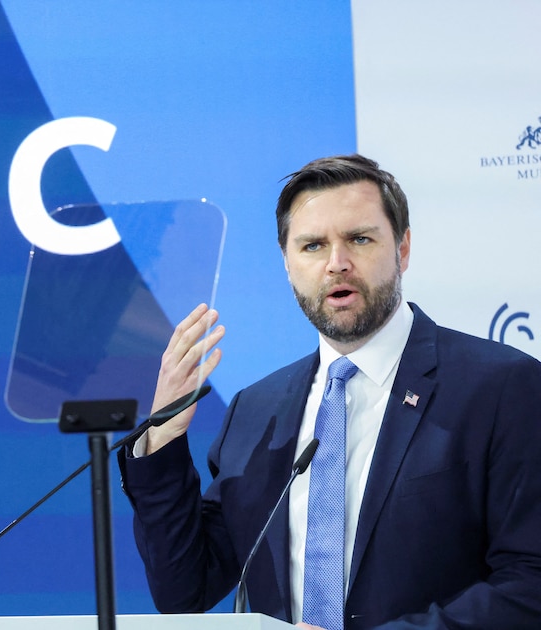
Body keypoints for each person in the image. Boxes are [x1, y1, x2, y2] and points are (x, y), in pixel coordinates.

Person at [118, 154, 541, 629]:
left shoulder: (501, 387)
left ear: (402, 250)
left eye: (359, 239)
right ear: (287, 264)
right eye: (313, 246)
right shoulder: (256, 412)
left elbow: (531, 583)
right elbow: (186, 589)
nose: (337, 264)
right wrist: (161, 438)